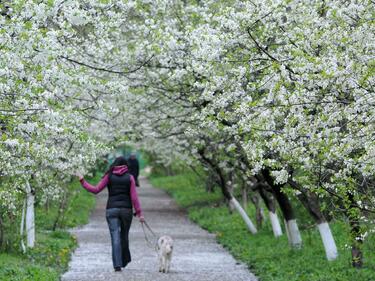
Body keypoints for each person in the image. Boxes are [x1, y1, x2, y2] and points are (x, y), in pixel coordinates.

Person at [76, 156, 145, 272]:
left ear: (114, 164)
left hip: (111, 210)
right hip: (126, 211)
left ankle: (117, 264)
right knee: (124, 236)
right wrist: (139, 213)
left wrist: (82, 180)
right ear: (126, 166)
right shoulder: (130, 178)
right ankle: (124, 260)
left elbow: (96, 189)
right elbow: (134, 197)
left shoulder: (109, 176)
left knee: (115, 237)